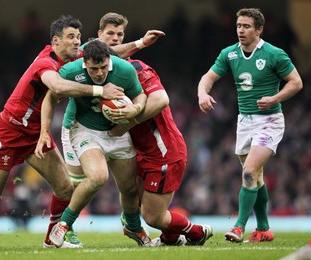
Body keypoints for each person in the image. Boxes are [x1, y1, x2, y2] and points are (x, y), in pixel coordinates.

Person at [0, 15, 125, 249]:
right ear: (55, 41)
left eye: (78, 37)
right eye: (71, 37)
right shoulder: (45, 63)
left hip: (35, 135)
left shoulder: (75, 57)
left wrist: (140, 44)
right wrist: (100, 92)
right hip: (8, 133)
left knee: (64, 187)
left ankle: (52, 239)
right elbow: (58, 86)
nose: (76, 42)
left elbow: (110, 51)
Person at [59, 12, 213, 246]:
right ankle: (158, 234)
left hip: (162, 150)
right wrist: (140, 43)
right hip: (118, 141)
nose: (115, 39)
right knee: (117, 190)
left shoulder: (136, 69)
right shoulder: (92, 58)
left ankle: (196, 231)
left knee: (152, 214)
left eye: (119, 35)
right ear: (99, 36)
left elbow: (161, 99)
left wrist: (128, 121)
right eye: (110, 34)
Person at [197, 8, 303, 243]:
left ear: (259, 29)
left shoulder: (275, 54)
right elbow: (208, 77)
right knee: (256, 177)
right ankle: (264, 229)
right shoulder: (230, 54)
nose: (241, 30)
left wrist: (275, 99)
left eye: (246, 26)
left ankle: (238, 226)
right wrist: (202, 94)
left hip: (270, 121)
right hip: (244, 121)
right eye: (238, 26)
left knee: (248, 172)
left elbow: (296, 82)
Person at [35, 40, 148, 248]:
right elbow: (50, 98)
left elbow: (140, 95)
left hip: (118, 132)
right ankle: (64, 225)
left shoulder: (124, 69)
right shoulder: (71, 71)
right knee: (97, 177)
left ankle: (134, 227)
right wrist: (44, 131)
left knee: (130, 189)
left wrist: (136, 108)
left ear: (110, 61)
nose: (99, 73)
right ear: (84, 63)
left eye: (103, 67)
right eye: (93, 69)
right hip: (86, 131)